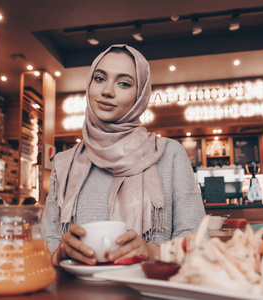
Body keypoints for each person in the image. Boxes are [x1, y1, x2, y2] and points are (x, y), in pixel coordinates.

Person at [42, 44, 205, 267]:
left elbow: (197, 239)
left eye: (124, 83)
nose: (107, 91)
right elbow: (47, 240)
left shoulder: (169, 154)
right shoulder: (63, 163)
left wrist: (152, 251)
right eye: (99, 79)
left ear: (140, 95)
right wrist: (60, 253)